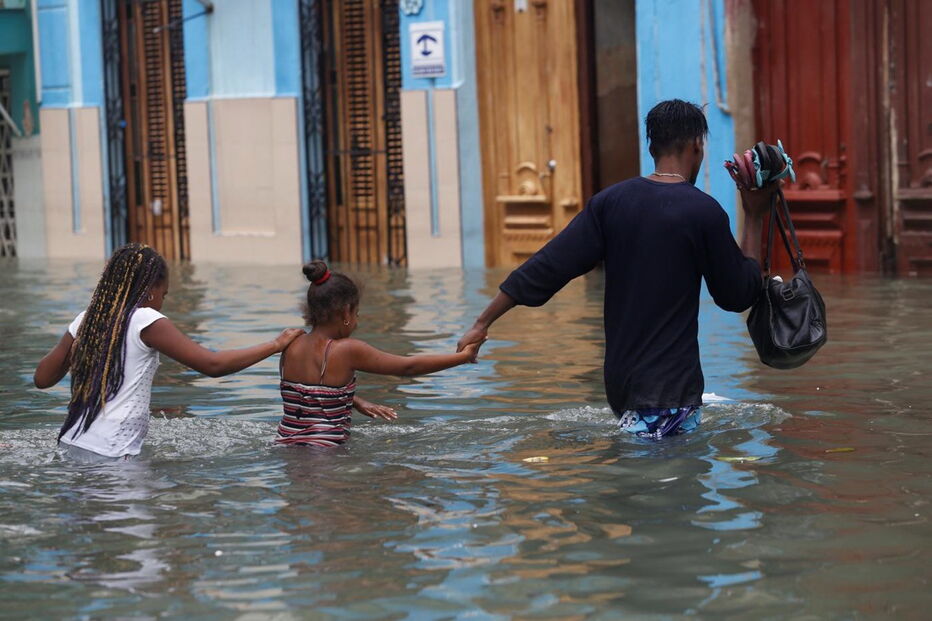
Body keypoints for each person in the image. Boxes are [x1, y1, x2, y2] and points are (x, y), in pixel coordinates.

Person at [457, 99, 776, 439]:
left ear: (651, 146)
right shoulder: (704, 212)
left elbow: (547, 267)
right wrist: (755, 216)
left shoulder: (610, 203)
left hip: (621, 388)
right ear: (697, 146)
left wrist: (482, 322)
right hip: (670, 392)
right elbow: (738, 295)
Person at [34, 243, 305, 459]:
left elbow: (42, 379)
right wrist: (276, 345)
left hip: (71, 446)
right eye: (164, 294)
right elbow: (213, 365)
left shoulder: (86, 319)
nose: (162, 301)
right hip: (113, 455)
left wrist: (84, 345)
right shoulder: (144, 320)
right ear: (151, 290)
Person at [276, 261, 484, 447]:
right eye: (357, 314)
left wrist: (354, 400)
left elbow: (310, 393)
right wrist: (463, 357)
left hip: (284, 444)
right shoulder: (347, 349)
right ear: (346, 312)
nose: (356, 322)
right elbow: (407, 367)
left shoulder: (291, 344)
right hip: (326, 453)